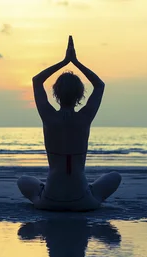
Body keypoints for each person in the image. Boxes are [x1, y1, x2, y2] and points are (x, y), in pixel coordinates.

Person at [17, 36, 121, 211]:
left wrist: (64, 62)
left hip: (50, 200)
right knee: (114, 176)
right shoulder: (84, 117)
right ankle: (90, 192)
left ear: (56, 94)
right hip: (82, 201)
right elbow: (99, 86)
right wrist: (75, 62)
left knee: (23, 180)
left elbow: (36, 81)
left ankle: (41, 194)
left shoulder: (48, 116)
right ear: (80, 95)